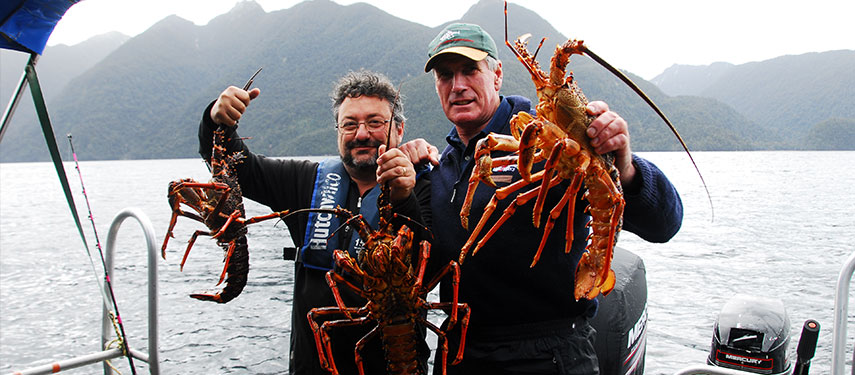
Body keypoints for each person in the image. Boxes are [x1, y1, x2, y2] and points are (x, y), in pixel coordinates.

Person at [406, 23, 684, 374]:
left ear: (497, 75)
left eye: (470, 70)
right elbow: (425, 266)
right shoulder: (440, 169)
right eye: (445, 76)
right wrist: (406, 182)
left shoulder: (552, 142)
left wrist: (624, 165)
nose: (458, 86)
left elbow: (665, 224)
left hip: (550, 355)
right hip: (463, 356)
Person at [198, 70, 430, 375]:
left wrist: (404, 198)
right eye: (349, 124)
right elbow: (236, 167)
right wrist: (217, 121)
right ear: (337, 131)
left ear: (399, 130)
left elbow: (432, 258)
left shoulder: (425, 185)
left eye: (375, 122)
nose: (362, 134)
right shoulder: (305, 181)